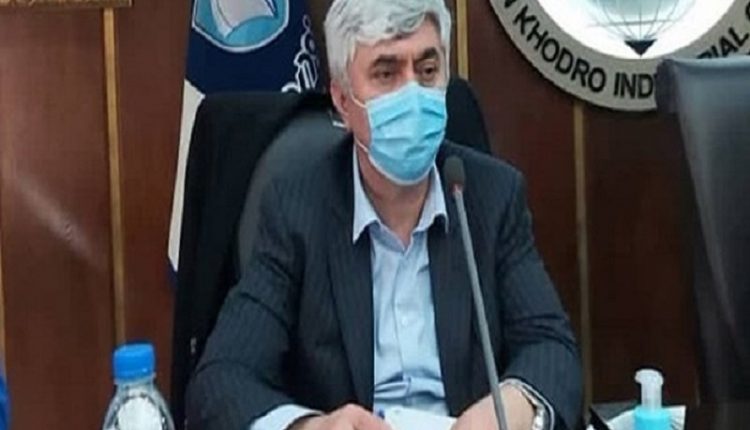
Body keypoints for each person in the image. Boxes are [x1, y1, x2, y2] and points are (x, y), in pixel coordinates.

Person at [186, 0, 582, 429]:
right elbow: (222, 378)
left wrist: (508, 409)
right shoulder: (297, 209)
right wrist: (312, 427)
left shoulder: (489, 195)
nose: (413, 94)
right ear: (343, 100)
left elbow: (552, 349)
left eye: (427, 70)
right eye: (386, 73)